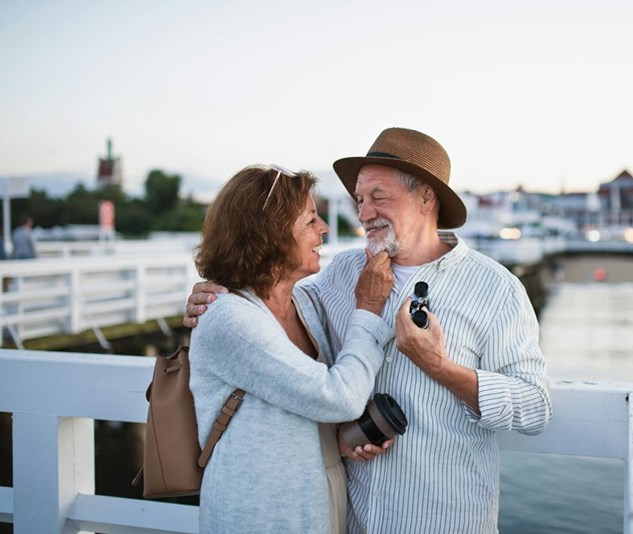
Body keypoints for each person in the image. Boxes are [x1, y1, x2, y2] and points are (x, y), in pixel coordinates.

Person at [185, 128, 553, 533]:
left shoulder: (495, 288)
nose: (363, 214)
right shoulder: (340, 274)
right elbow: (267, 304)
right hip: (351, 520)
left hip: (445, 521)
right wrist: (215, 291)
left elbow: (535, 406)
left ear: (426, 197)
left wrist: (441, 367)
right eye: (359, 200)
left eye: (378, 197)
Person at [188, 163, 395, 533]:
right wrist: (367, 310)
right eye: (311, 220)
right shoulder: (229, 319)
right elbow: (338, 396)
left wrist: (345, 437)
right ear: (270, 233)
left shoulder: (304, 304)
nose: (325, 229)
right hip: (261, 511)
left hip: (319, 491)